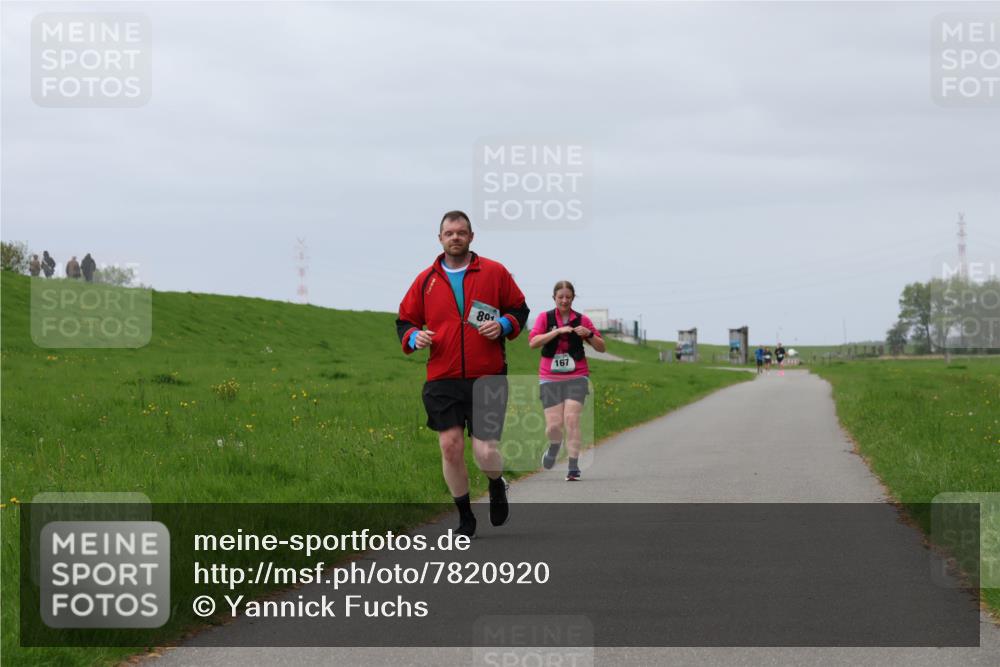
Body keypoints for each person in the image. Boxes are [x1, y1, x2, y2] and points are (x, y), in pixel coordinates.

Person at [396, 211, 529, 537]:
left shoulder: (495, 272)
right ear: (440, 238)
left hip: (488, 376)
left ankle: (496, 484)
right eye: (449, 233)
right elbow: (405, 320)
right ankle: (465, 517)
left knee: (484, 451)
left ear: (471, 237)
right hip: (443, 376)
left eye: (461, 232)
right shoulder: (425, 280)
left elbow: (519, 309)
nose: (455, 237)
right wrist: (414, 337)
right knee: (450, 446)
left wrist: (503, 325)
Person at [528, 281, 605, 481]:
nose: (564, 300)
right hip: (550, 377)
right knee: (553, 427)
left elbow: (601, 347)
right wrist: (556, 332)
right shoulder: (545, 318)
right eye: (560, 297)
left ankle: (573, 466)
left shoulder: (582, 320)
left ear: (573, 298)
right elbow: (533, 343)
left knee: (571, 419)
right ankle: (554, 447)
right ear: (554, 298)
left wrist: (587, 334)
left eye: (568, 297)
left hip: (576, 375)